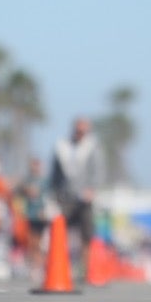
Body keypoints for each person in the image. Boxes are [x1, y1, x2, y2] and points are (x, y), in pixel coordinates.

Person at [49, 116, 106, 276]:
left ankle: (84, 270)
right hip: (65, 197)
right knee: (61, 232)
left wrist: (92, 189)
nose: (81, 133)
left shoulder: (93, 146)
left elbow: (98, 170)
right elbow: (55, 174)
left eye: (84, 130)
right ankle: (62, 267)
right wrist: (54, 193)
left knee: (86, 234)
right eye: (78, 130)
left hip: (85, 198)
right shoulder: (62, 146)